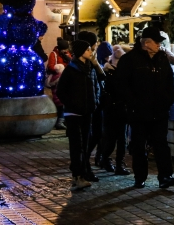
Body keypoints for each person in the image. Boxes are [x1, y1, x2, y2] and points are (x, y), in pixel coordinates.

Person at [116, 28, 174, 189]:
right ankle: (140, 177)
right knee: (138, 145)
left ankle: (165, 176)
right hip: (139, 112)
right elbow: (122, 86)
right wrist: (133, 104)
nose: (159, 45)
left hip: (159, 111)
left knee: (161, 144)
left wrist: (168, 101)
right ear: (146, 42)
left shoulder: (162, 58)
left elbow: (169, 81)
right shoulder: (129, 60)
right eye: (156, 41)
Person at [55, 39, 96, 191]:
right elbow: (61, 91)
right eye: (87, 50)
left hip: (87, 112)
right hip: (73, 113)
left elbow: (92, 89)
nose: (90, 52)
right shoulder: (71, 70)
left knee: (85, 144)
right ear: (80, 52)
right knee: (76, 145)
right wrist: (72, 104)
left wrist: (93, 104)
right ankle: (77, 175)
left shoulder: (89, 67)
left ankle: (82, 174)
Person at [76, 31, 106, 175]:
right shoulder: (80, 65)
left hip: (96, 103)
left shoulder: (91, 62)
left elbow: (101, 78)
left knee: (97, 134)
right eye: (94, 43)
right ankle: (84, 167)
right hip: (87, 106)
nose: (96, 46)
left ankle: (86, 164)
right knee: (87, 137)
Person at [99, 45, 131, 175]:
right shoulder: (110, 73)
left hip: (118, 108)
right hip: (114, 107)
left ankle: (115, 162)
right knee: (114, 137)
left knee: (118, 137)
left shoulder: (113, 72)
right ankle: (110, 161)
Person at [47, 38, 71, 129]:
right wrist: (60, 67)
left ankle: (62, 120)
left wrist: (67, 59)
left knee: (65, 100)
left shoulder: (67, 54)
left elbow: (71, 63)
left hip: (66, 78)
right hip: (57, 79)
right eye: (64, 49)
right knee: (59, 100)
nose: (66, 51)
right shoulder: (53, 54)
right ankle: (59, 120)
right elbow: (50, 67)